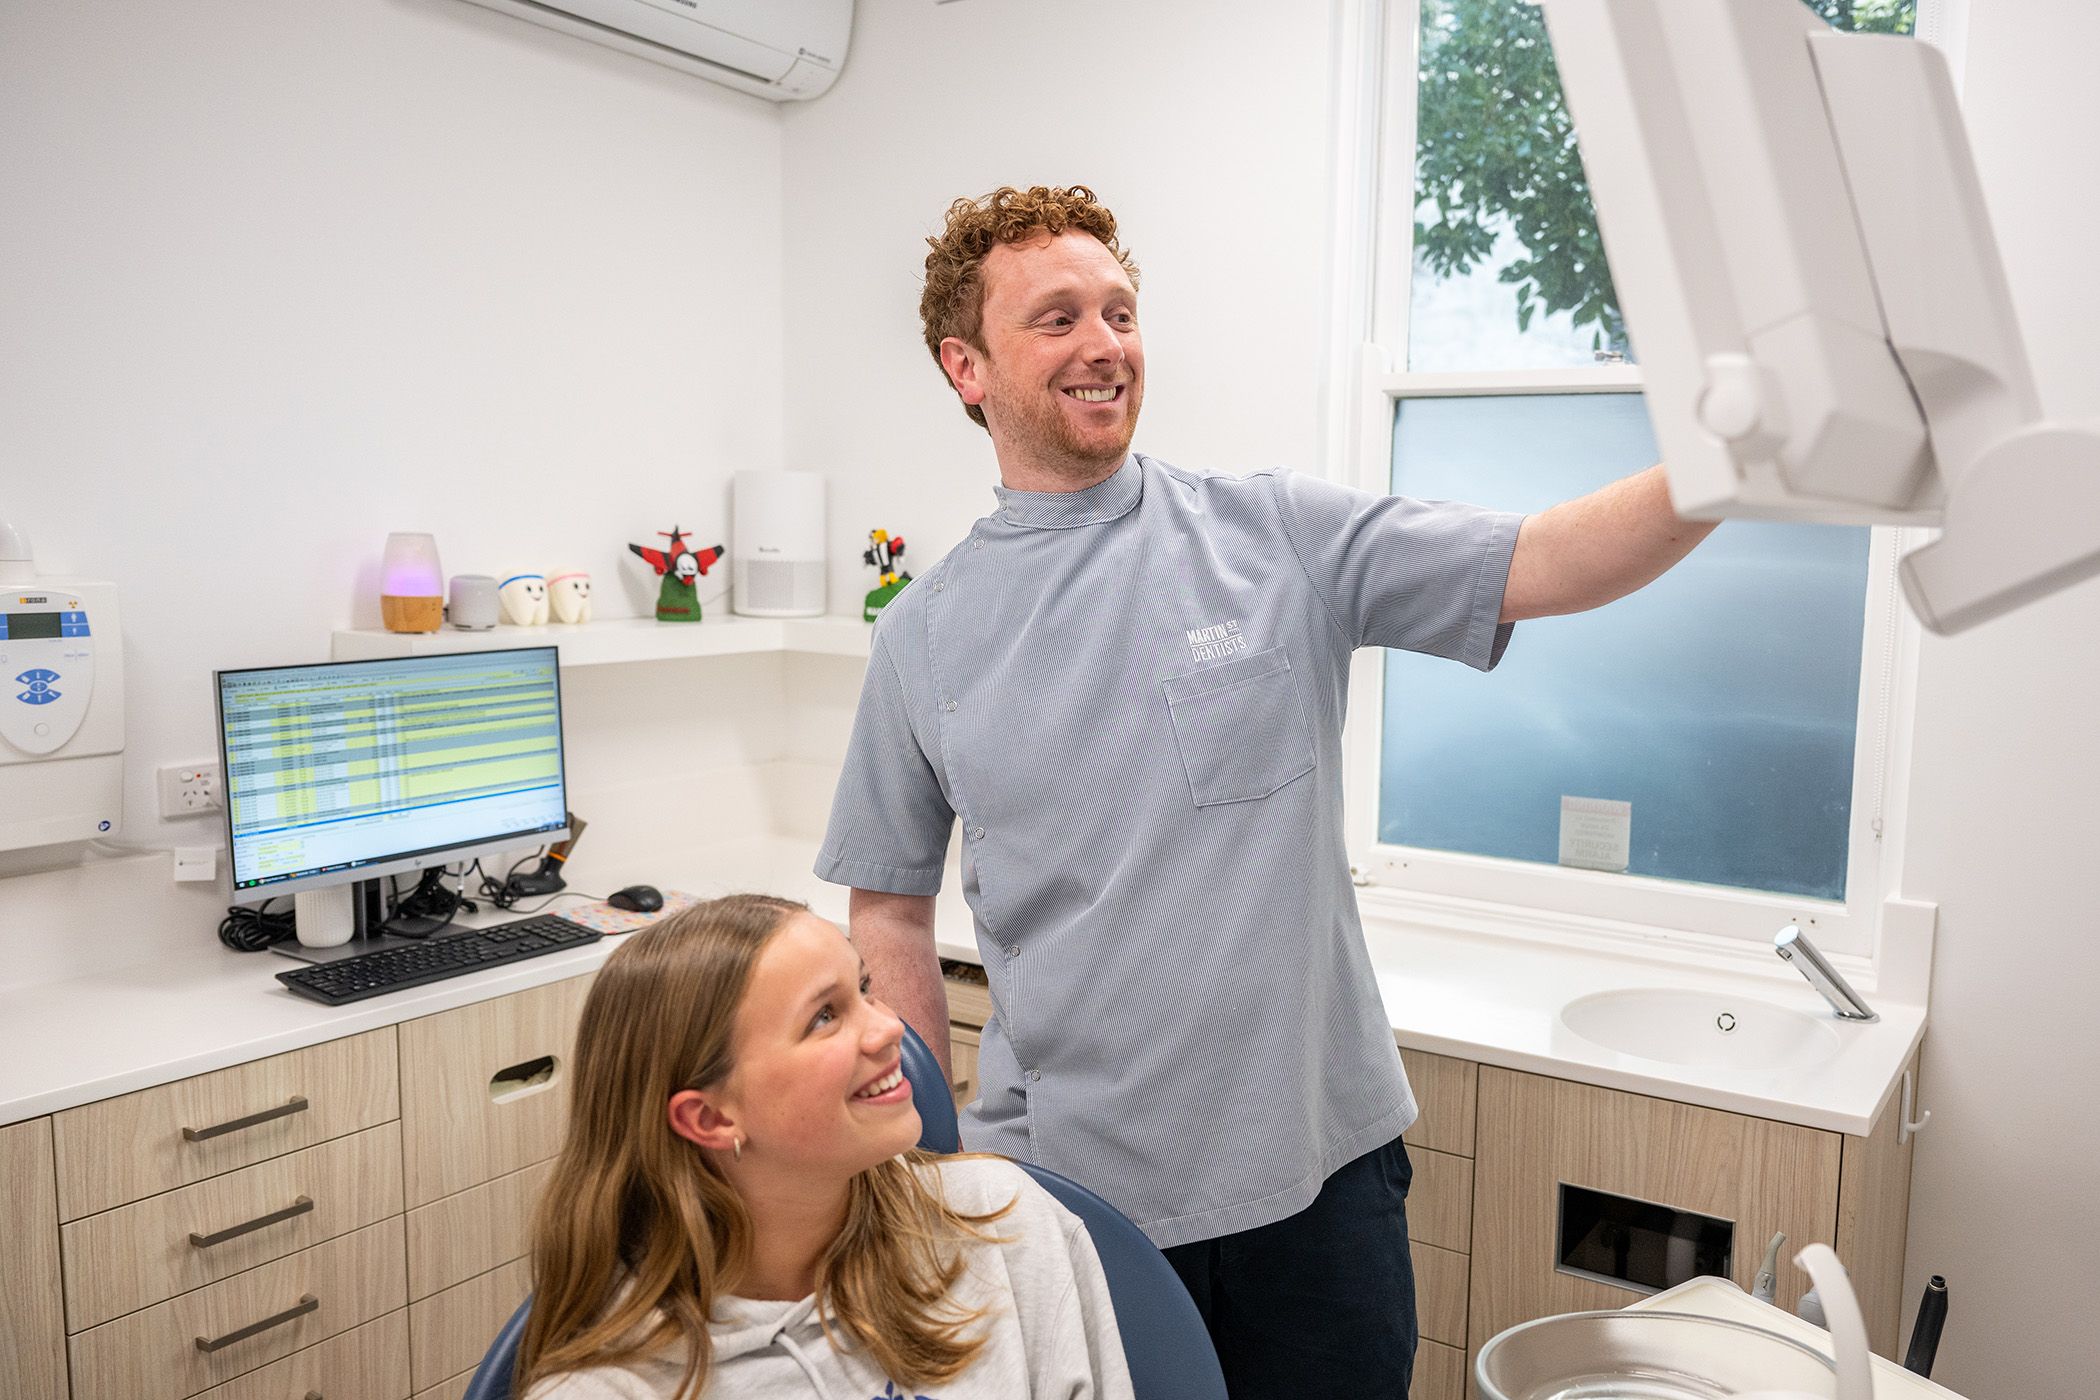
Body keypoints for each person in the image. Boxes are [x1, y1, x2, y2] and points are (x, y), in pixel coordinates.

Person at [814, 185, 1717, 1398]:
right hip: (1079, 1195)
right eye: (1058, 318)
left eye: (1121, 312)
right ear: (965, 366)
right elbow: (888, 906)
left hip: (1319, 1182)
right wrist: (924, 1165)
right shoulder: (921, 638)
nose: (1105, 344)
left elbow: (1547, 558)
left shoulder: (1272, 534)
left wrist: (1726, 463)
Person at [516, 893, 1134, 1400]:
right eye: (824, 1016)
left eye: (864, 990)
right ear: (708, 1117)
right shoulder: (605, 1389)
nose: (891, 1026)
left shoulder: (1000, 1223)